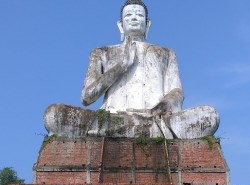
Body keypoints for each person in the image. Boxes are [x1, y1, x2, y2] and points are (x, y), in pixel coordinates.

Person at [44, 0, 219, 139]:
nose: (134, 18)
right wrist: (122, 66)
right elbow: (87, 97)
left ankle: (141, 129)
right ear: (120, 25)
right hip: (112, 119)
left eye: (139, 15)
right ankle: (138, 130)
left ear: (148, 24)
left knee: (208, 116)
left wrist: (160, 108)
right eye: (129, 15)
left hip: (156, 120)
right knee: (54, 115)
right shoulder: (103, 52)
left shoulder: (166, 53)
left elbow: (177, 92)